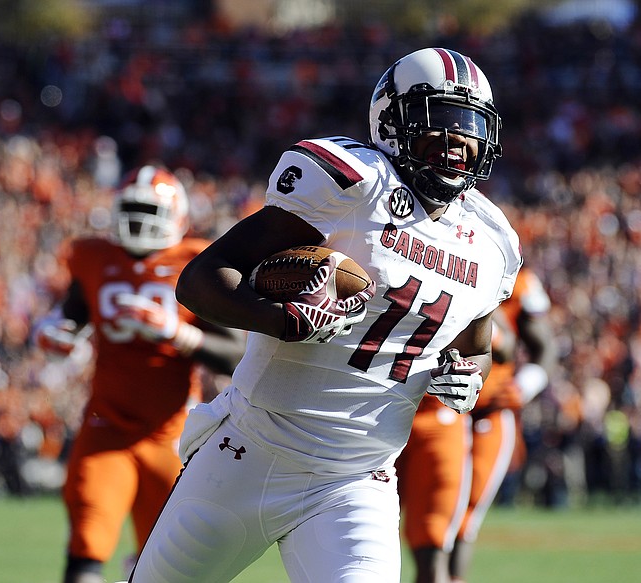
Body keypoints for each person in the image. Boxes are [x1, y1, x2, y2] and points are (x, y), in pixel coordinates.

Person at [128, 47, 521, 583]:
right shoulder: (354, 183)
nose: (458, 138)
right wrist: (277, 317)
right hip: (247, 451)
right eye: (440, 119)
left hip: (356, 481)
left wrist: (466, 378)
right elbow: (200, 279)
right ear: (393, 121)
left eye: (471, 124)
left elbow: (476, 347)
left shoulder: (493, 242)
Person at [34, 165, 246, 583]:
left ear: (178, 217)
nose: (139, 221)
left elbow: (236, 355)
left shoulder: (196, 263)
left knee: (163, 568)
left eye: (149, 210)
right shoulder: (95, 258)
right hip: (107, 427)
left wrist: (175, 334)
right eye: (131, 209)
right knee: (87, 552)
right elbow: (69, 323)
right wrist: (51, 335)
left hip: (173, 438)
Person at [397, 265, 556, 583]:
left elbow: (525, 345)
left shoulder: (515, 278)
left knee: (462, 516)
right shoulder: (419, 263)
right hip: (423, 410)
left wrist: (524, 385)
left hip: (486, 412)